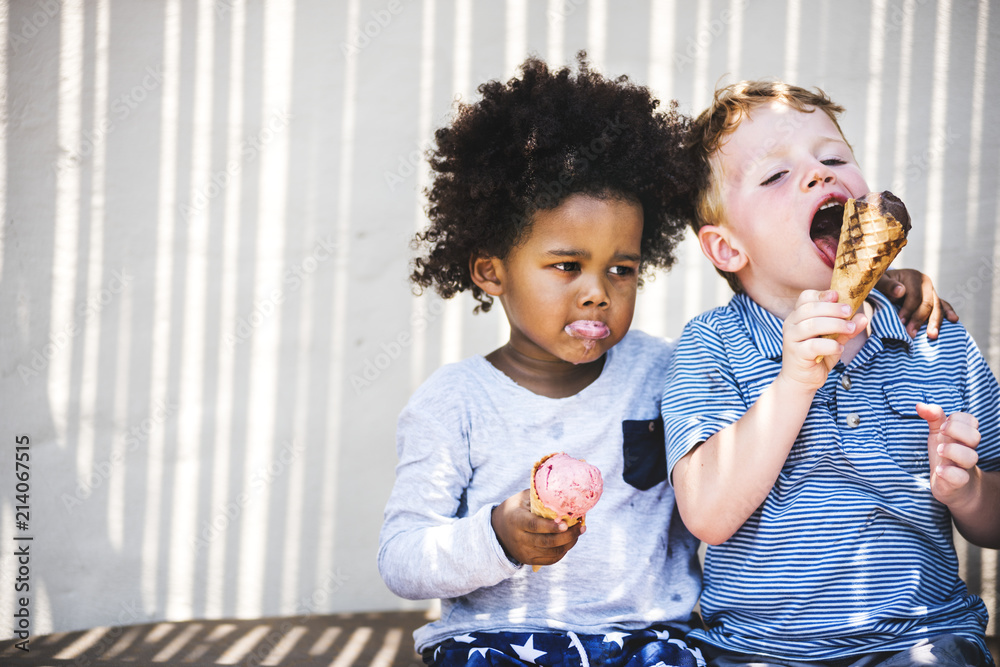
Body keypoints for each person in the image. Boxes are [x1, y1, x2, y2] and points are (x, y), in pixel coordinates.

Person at [378, 57, 952, 667]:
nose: (597, 290)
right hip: (497, 645)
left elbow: (759, 329)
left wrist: (882, 282)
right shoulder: (454, 401)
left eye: (621, 268)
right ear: (491, 271)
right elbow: (402, 557)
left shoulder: (669, 369)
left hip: (655, 644)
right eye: (567, 266)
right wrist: (496, 534)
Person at [662, 80, 1000, 667]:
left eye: (834, 158)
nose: (819, 175)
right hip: (753, 651)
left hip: (920, 640)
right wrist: (794, 381)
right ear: (726, 249)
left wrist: (967, 490)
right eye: (775, 176)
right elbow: (708, 514)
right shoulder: (712, 345)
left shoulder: (933, 337)